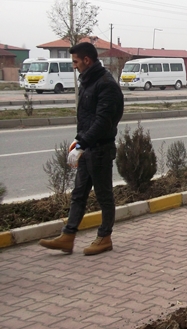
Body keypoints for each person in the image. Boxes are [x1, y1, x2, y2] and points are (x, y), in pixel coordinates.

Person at [39, 42, 124, 255]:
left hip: (100, 149)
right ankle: (68, 236)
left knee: (104, 195)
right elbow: (86, 117)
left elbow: (103, 121)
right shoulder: (88, 81)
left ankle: (104, 237)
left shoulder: (105, 84)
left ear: (87, 60)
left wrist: (83, 143)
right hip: (87, 148)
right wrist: (78, 142)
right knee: (78, 194)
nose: (74, 66)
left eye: (76, 62)